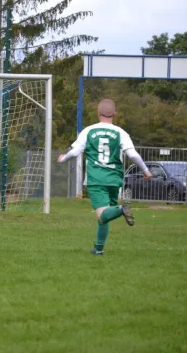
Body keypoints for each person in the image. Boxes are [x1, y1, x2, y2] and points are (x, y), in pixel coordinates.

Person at [57, 99, 152, 255]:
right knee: (105, 216)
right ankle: (98, 249)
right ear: (114, 114)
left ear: (98, 113)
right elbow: (132, 154)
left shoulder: (89, 131)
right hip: (114, 179)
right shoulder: (121, 132)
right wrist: (146, 170)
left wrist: (63, 158)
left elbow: (75, 152)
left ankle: (122, 209)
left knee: (102, 215)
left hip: (97, 178)